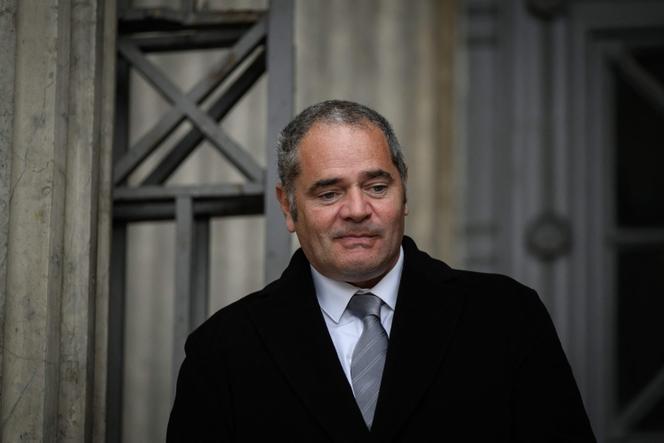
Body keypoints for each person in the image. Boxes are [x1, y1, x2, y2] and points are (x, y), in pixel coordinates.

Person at [167, 100, 596, 442]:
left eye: (376, 187)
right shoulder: (222, 351)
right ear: (288, 206)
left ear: (403, 192)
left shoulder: (506, 316)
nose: (357, 210)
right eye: (329, 193)